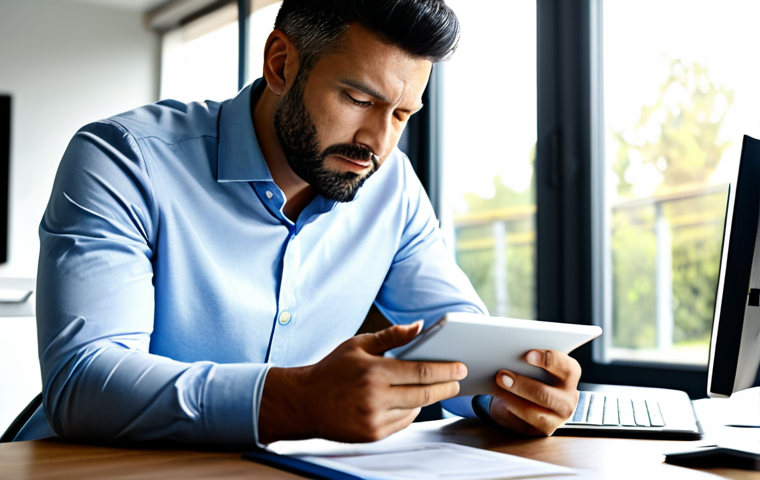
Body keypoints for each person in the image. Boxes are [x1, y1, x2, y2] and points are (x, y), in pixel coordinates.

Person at [17, 0, 581, 444]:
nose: (378, 143)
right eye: (359, 99)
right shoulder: (122, 159)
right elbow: (85, 382)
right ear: (281, 64)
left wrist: (507, 392)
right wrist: (297, 399)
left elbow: (454, 338)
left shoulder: (392, 186)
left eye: (402, 115)